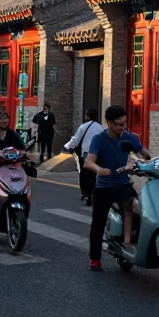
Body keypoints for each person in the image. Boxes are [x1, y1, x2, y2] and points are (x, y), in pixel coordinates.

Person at [84, 105, 151, 272]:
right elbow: (89, 162)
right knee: (98, 222)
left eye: (124, 124)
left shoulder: (128, 137)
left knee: (135, 205)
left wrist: (148, 158)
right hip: (104, 185)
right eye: (118, 124)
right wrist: (99, 169)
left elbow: (143, 152)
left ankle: (128, 243)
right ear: (109, 123)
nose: (122, 128)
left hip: (123, 182)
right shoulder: (99, 139)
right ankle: (95, 258)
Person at [64, 108, 102, 206]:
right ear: (96, 116)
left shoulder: (83, 126)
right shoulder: (100, 127)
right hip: (96, 154)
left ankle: (86, 193)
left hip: (85, 153)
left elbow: (76, 139)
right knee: (93, 174)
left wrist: (67, 146)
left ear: (87, 116)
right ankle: (93, 193)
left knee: (84, 174)